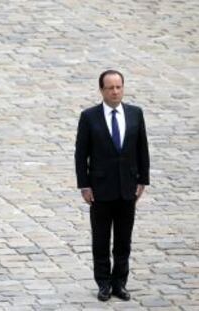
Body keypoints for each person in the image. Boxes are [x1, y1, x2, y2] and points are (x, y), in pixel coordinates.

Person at [74, 70, 150, 301]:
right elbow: (81, 154)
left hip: (127, 188)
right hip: (100, 189)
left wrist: (142, 180)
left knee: (123, 241)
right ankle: (104, 283)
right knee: (101, 239)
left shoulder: (135, 114)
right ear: (102, 90)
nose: (115, 91)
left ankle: (120, 283)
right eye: (110, 88)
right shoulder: (89, 117)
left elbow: (142, 149)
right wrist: (84, 186)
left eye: (119, 87)